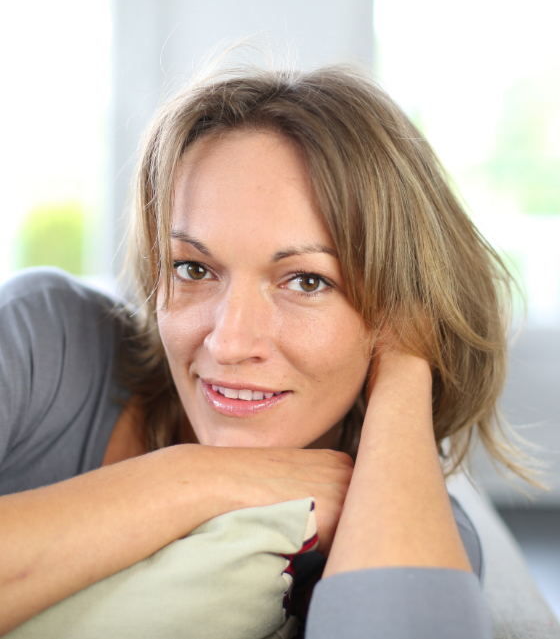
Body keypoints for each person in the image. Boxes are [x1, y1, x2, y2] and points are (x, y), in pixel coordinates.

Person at [0, 64, 525, 638]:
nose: (228, 342)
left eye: (306, 281)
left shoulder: (399, 515)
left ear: (396, 312)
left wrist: (406, 364)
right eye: (193, 268)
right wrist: (196, 479)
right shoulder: (43, 343)